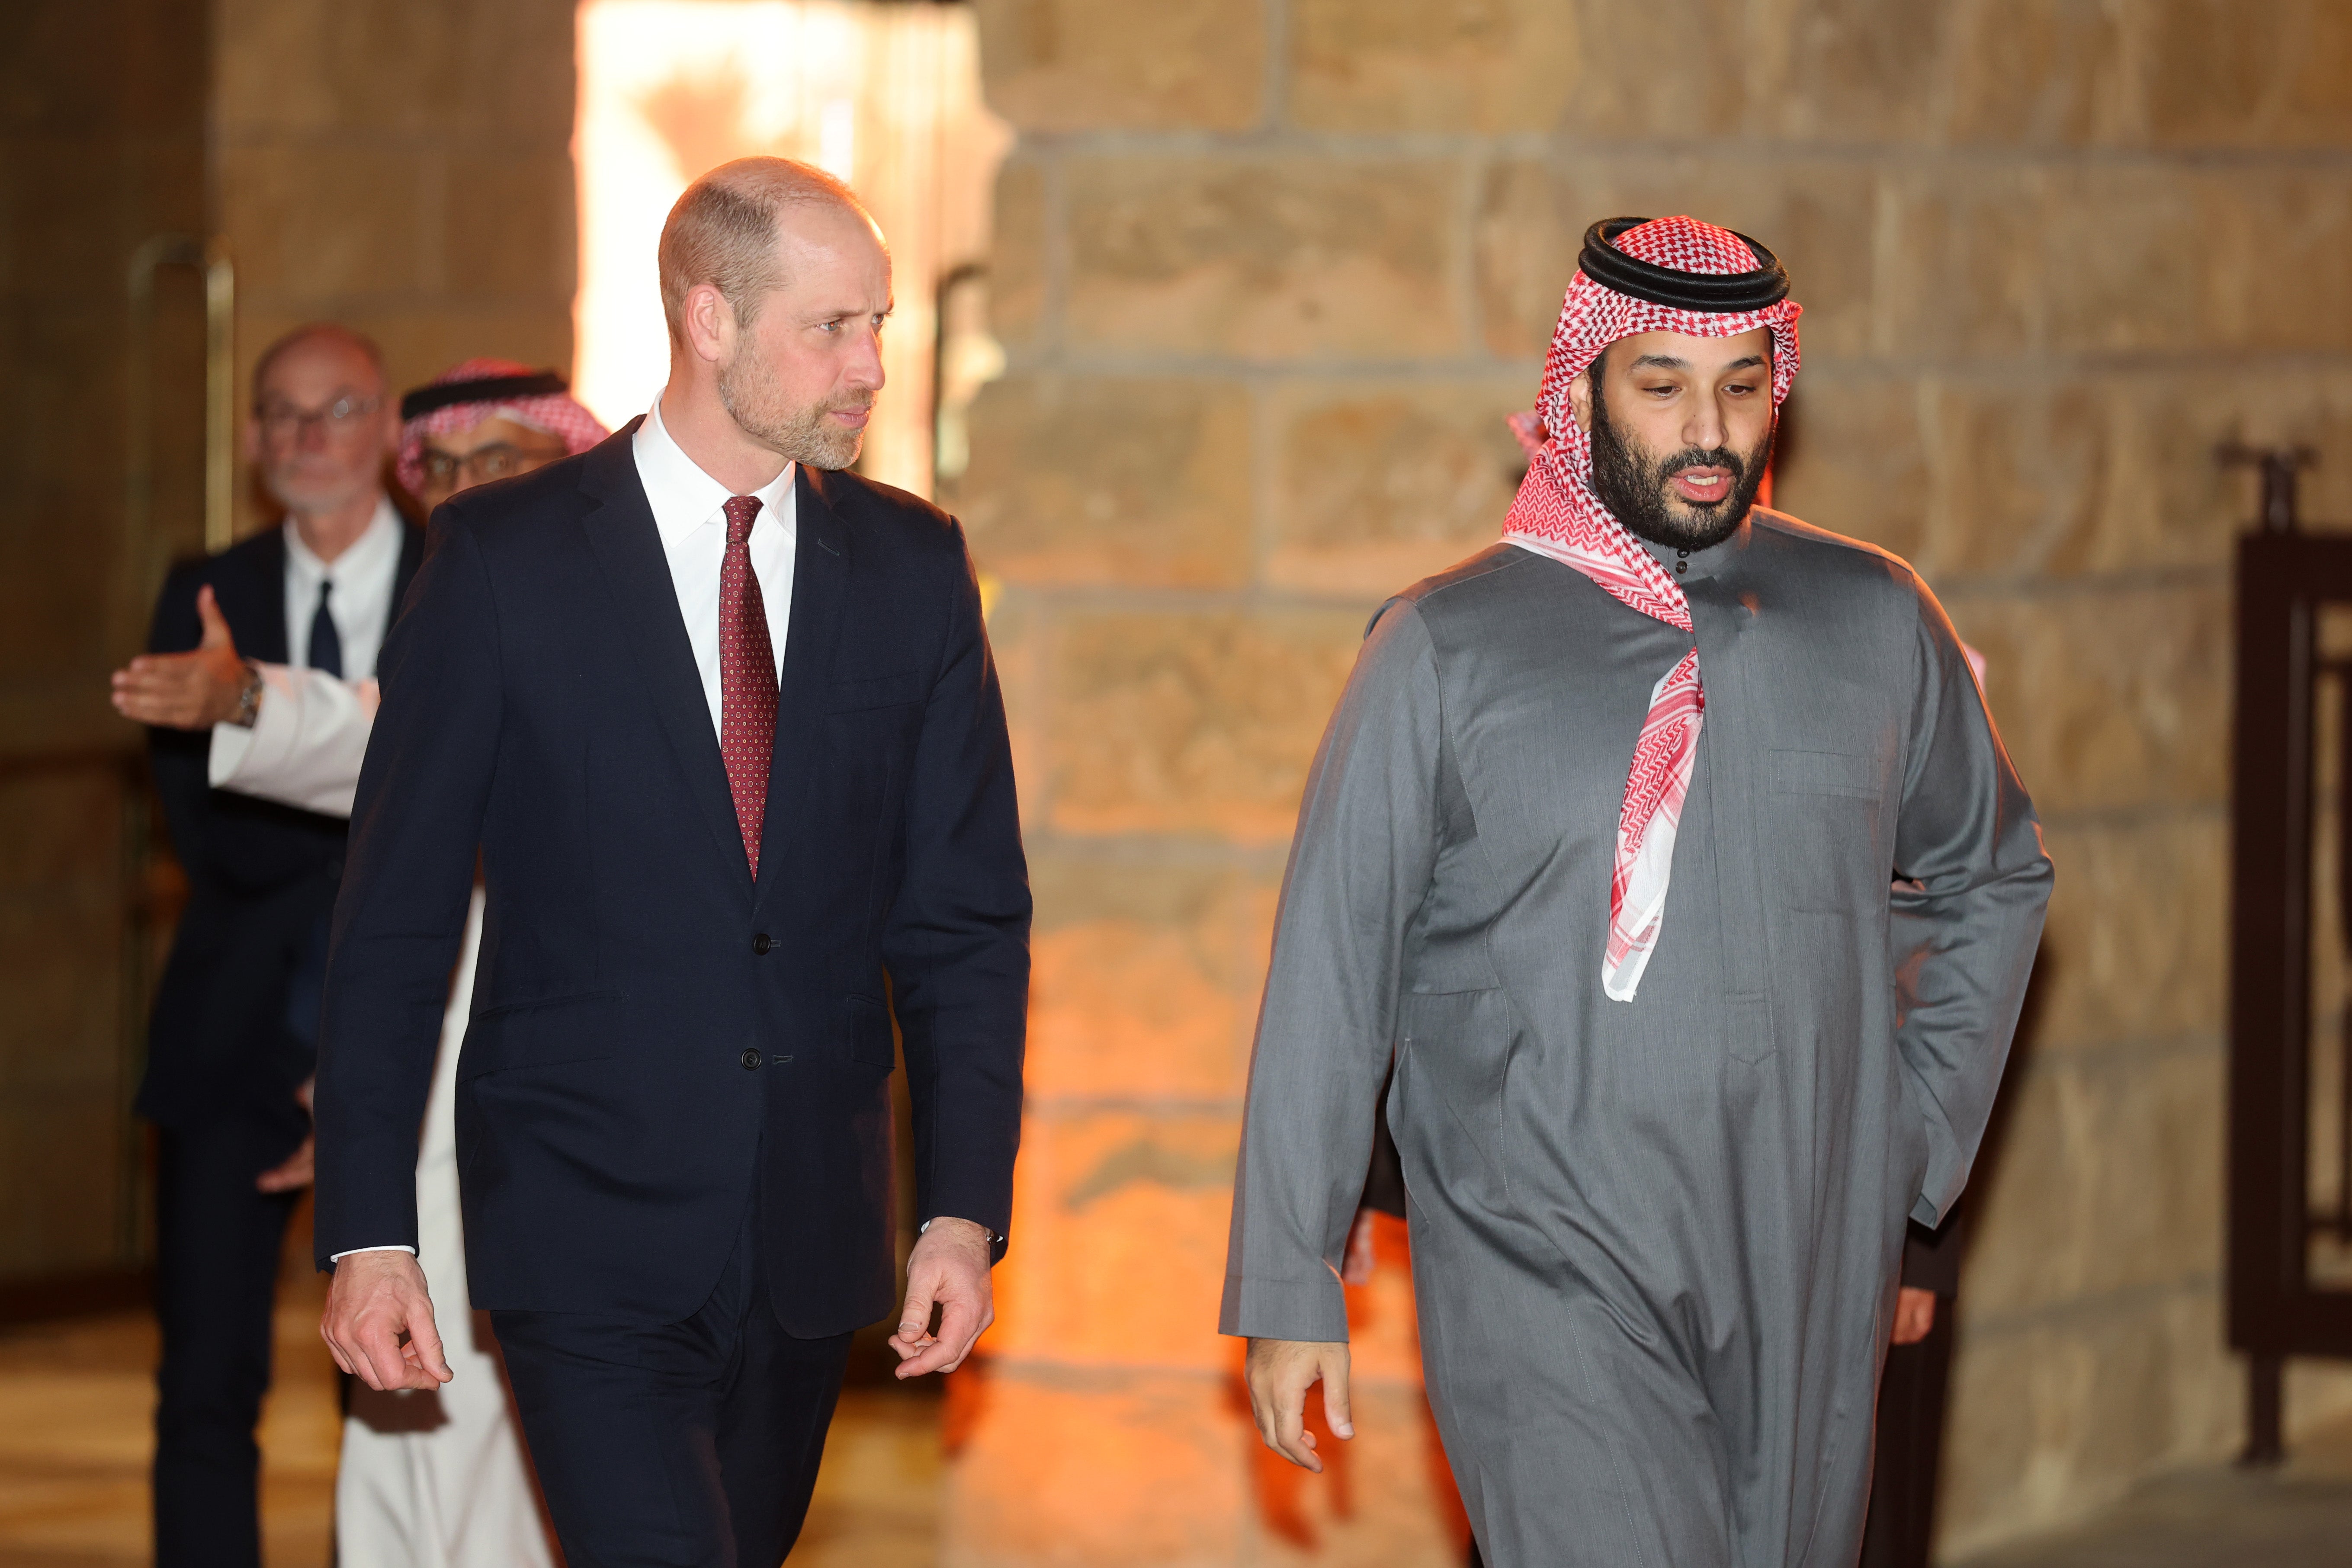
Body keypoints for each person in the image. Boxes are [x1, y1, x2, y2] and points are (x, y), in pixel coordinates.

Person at [1221, 215, 2052, 1567]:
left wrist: (1903, 1145)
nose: (1706, 427)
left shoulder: (1876, 617)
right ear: (1582, 391)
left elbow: (1992, 873)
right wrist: (1289, 1273)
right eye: (1661, 385)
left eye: (1739, 384)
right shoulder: (1443, 644)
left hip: (1810, 1237)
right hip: (1542, 1241)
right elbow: (1335, 956)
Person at [312, 156, 1031, 1568]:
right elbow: (390, 918)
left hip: (813, 1238)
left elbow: (964, 921)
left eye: (879, 324)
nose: (870, 365)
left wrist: (960, 1207)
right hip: (580, 1228)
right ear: (709, 320)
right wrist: (368, 1231)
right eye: (833, 327)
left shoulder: (915, 566)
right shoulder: (505, 559)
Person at [109, 323, 421, 1568]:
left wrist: (356, 1011)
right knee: (204, 1378)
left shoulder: (464, 573)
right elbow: (205, 821)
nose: (307, 437)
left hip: (410, 1038)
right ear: (251, 440)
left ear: (389, 427)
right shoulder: (208, 588)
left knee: (401, 1382)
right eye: (281, 414)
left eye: (336, 408)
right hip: (233, 1034)